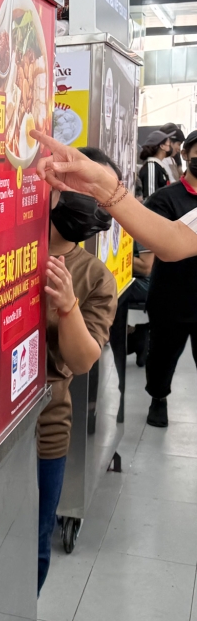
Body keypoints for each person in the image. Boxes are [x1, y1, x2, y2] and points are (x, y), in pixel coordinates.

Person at [34, 149, 119, 621]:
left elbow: (84, 359)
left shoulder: (93, 277)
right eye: (72, 186)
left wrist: (66, 306)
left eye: (93, 194)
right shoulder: (9, 239)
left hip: (45, 424)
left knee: (36, 538)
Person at [33, 129, 197, 263]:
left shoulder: (96, 276)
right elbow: (175, 239)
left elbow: (174, 241)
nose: (95, 204)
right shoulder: (163, 192)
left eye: (98, 201)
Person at [138, 131, 197, 427]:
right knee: (161, 357)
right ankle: (158, 398)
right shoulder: (166, 198)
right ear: (185, 154)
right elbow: (159, 243)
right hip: (171, 298)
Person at [137, 130, 173, 199]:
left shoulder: (158, 166)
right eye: (168, 144)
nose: (170, 147)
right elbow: (150, 197)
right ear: (162, 146)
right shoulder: (151, 167)